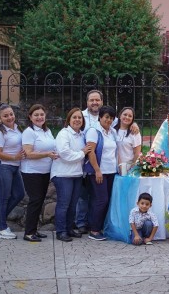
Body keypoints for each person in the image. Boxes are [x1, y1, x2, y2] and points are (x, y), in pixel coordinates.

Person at [51, 108, 92, 242]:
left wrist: (82, 152)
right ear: (68, 120)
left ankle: (69, 228)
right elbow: (65, 154)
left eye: (80, 117)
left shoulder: (81, 135)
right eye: (74, 117)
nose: (77, 120)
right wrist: (82, 153)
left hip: (77, 174)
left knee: (73, 204)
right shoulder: (64, 134)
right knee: (64, 204)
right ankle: (61, 231)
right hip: (63, 174)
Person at [0, 104, 26, 239]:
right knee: (3, 198)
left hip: (14, 167)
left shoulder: (16, 129)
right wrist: (14, 157)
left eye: (11, 114)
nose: (10, 117)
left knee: (19, 194)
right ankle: (2, 229)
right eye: (5, 116)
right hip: (1, 167)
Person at [21, 104, 58, 242]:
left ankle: (34, 230)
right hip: (32, 172)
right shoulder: (29, 132)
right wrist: (48, 154)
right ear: (30, 117)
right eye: (36, 115)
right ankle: (29, 233)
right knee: (35, 200)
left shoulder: (46, 131)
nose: (39, 117)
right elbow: (29, 154)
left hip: (44, 171)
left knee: (39, 200)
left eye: (41, 114)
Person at [85, 106, 118, 241]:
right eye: (106, 117)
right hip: (99, 172)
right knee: (101, 200)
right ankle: (94, 230)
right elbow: (90, 151)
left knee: (107, 200)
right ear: (100, 117)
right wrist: (97, 170)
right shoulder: (94, 131)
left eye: (111, 118)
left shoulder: (112, 132)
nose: (108, 120)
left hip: (111, 171)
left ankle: (100, 227)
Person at [75, 90, 104, 235]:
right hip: (82, 162)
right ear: (87, 102)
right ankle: (81, 223)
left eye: (97, 100)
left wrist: (134, 125)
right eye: (92, 100)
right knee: (83, 195)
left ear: (101, 102)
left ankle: (94, 222)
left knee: (97, 196)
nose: (94, 103)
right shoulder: (80, 115)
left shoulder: (106, 115)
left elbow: (122, 125)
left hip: (100, 164)